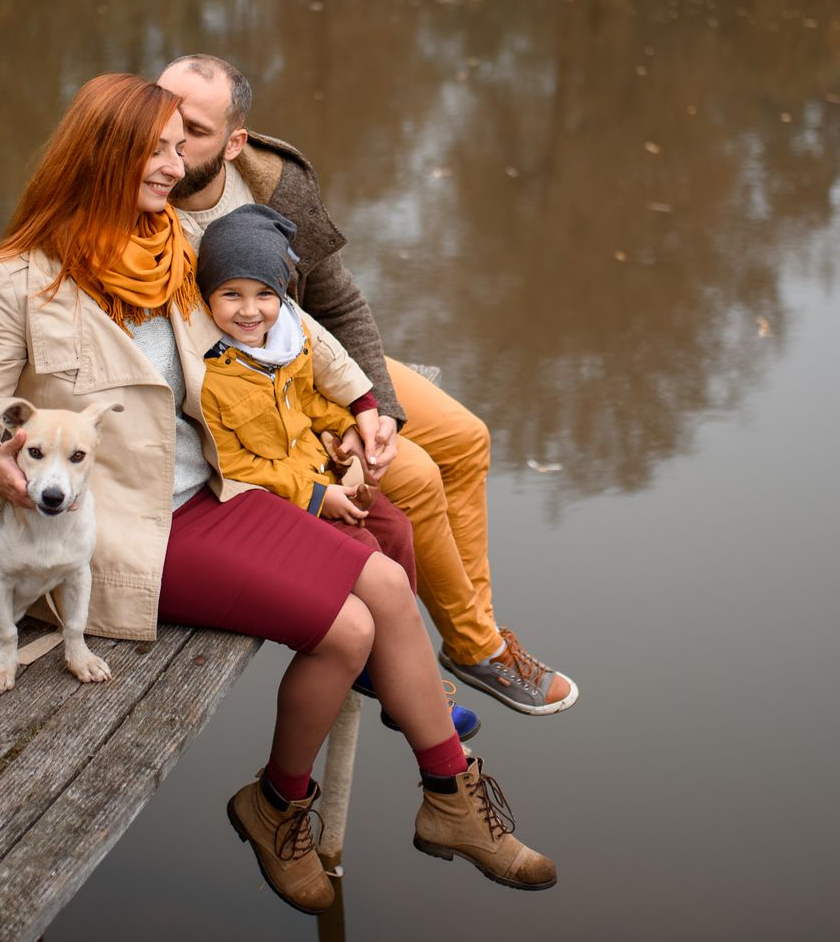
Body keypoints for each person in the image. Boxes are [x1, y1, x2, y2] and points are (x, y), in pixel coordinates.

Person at [0, 74, 557, 915]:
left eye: (176, 144)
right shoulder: (16, 280)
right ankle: (283, 805)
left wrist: (358, 407)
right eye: (155, 149)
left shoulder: (173, 248)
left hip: (216, 490)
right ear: (102, 154)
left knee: (376, 583)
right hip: (122, 527)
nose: (173, 164)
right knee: (347, 626)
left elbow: (283, 335)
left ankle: (441, 794)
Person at [158, 54, 579, 717]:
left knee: (467, 439)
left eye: (195, 128)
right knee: (411, 479)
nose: (170, 139)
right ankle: (439, 650)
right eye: (160, 111)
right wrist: (326, 422)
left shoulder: (271, 183)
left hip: (311, 362)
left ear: (235, 141)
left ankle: (475, 642)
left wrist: (374, 407)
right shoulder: (140, 207)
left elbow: (340, 303)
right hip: (253, 402)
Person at [196, 201, 478, 741]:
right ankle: (403, 687)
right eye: (231, 294)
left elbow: (308, 401)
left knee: (396, 528)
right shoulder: (214, 372)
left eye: (264, 296)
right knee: (366, 554)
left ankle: (399, 670)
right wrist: (316, 497)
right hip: (278, 500)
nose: (249, 311)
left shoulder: (287, 347)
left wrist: (345, 428)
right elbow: (233, 463)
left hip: (320, 471)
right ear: (208, 295)